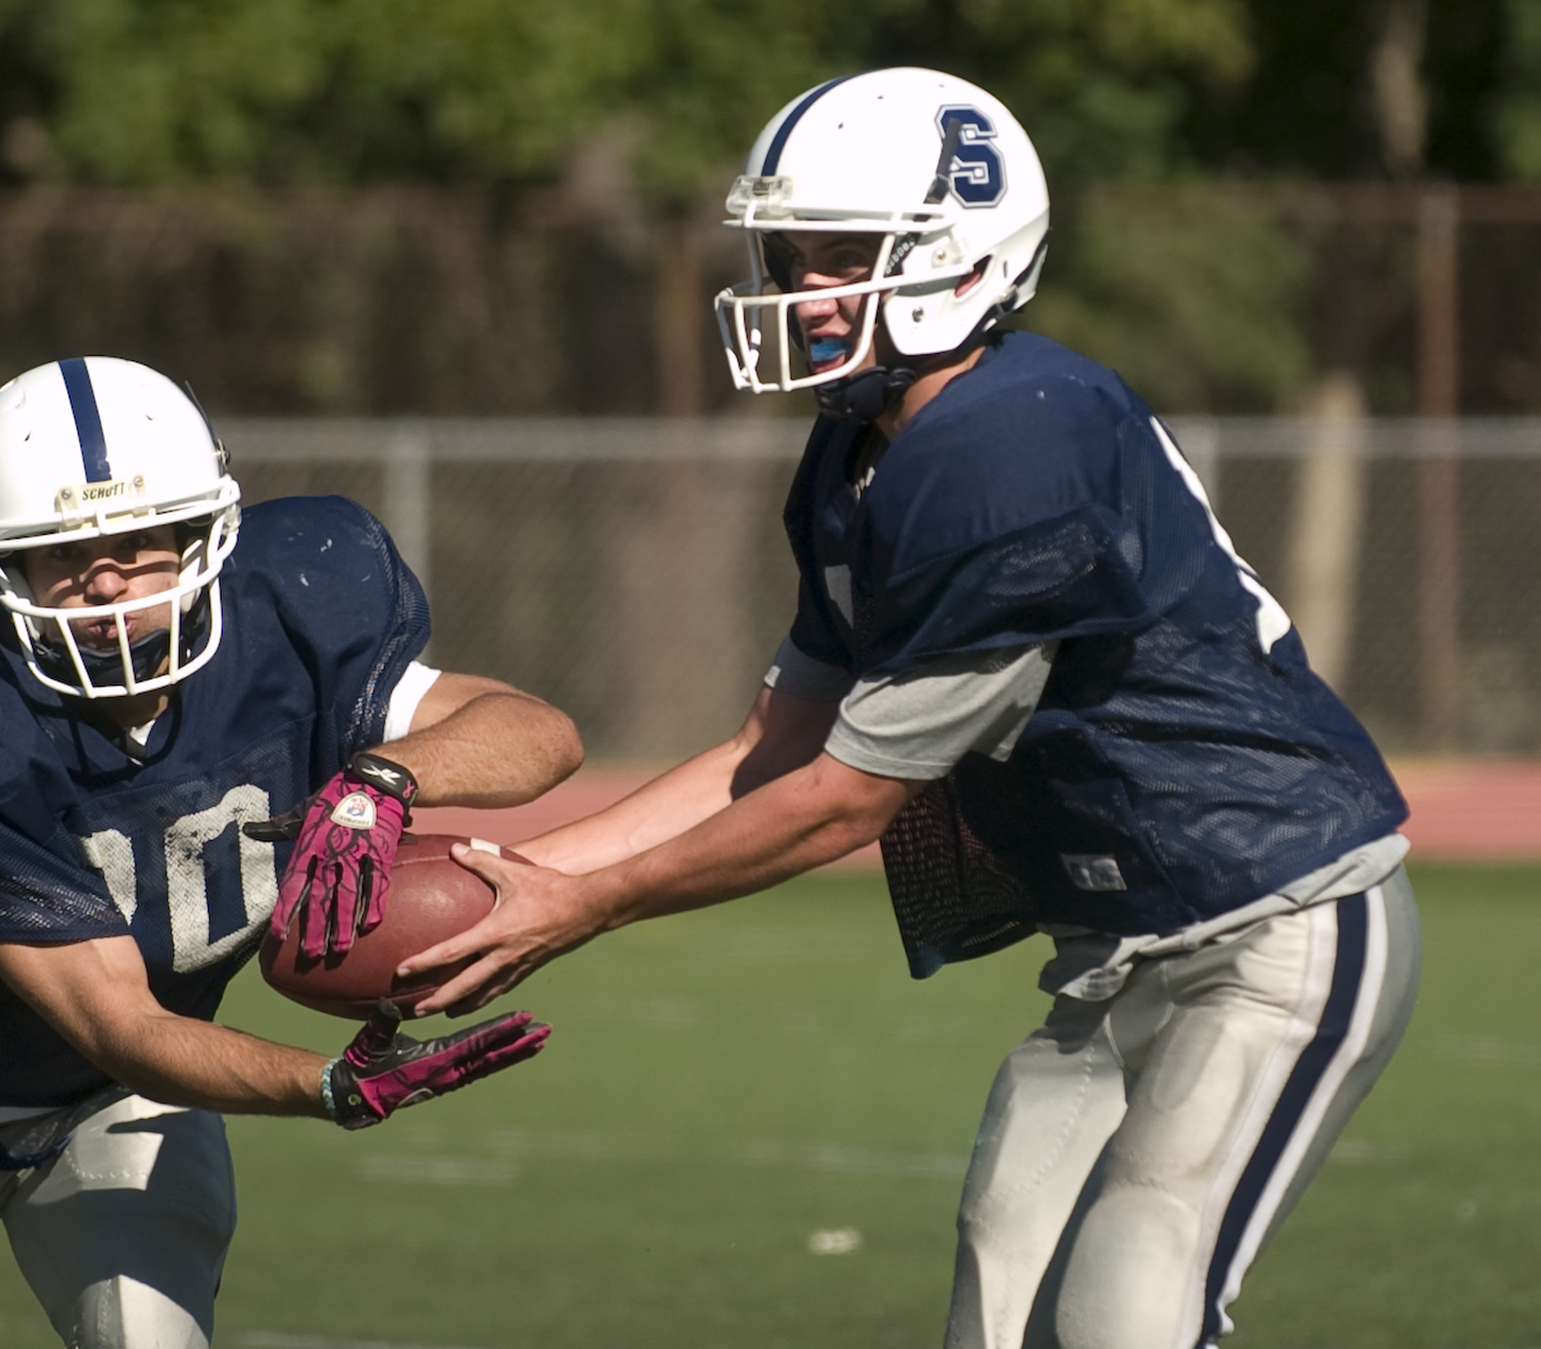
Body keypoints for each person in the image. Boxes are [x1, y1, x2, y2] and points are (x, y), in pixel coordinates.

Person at [402, 68, 1421, 1349]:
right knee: (996, 1316)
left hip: (1275, 919)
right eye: (791, 256)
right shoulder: (857, 449)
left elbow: (844, 798)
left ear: (958, 256)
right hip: (1110, 951)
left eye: (840, 256)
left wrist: (587, 904)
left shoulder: (1014, 442)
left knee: (1131, 1314)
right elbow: (772, 743)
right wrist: (516, 873)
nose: (800, 292)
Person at [0, 356, 581, 1349]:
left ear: (202, 530)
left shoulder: (293, 606)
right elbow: (118, 1022)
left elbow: (538, 733)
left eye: (138, 538)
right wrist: (327, 1083)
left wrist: (382, 777)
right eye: (58, 549)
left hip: (131, 1105)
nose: (102, 578)